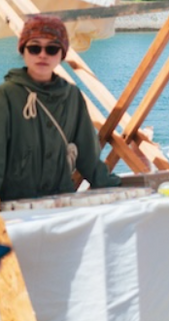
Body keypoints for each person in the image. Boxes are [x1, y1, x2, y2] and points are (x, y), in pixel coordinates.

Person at [0, 15, 121, 201]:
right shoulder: (6, 95)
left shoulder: (72, 96)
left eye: (51, 49)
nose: (42, 54)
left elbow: (88, 155)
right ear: (23, 51)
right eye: (34, 48)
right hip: (15, 204)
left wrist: (114, 185)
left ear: (61, 55)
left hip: (61, 201)